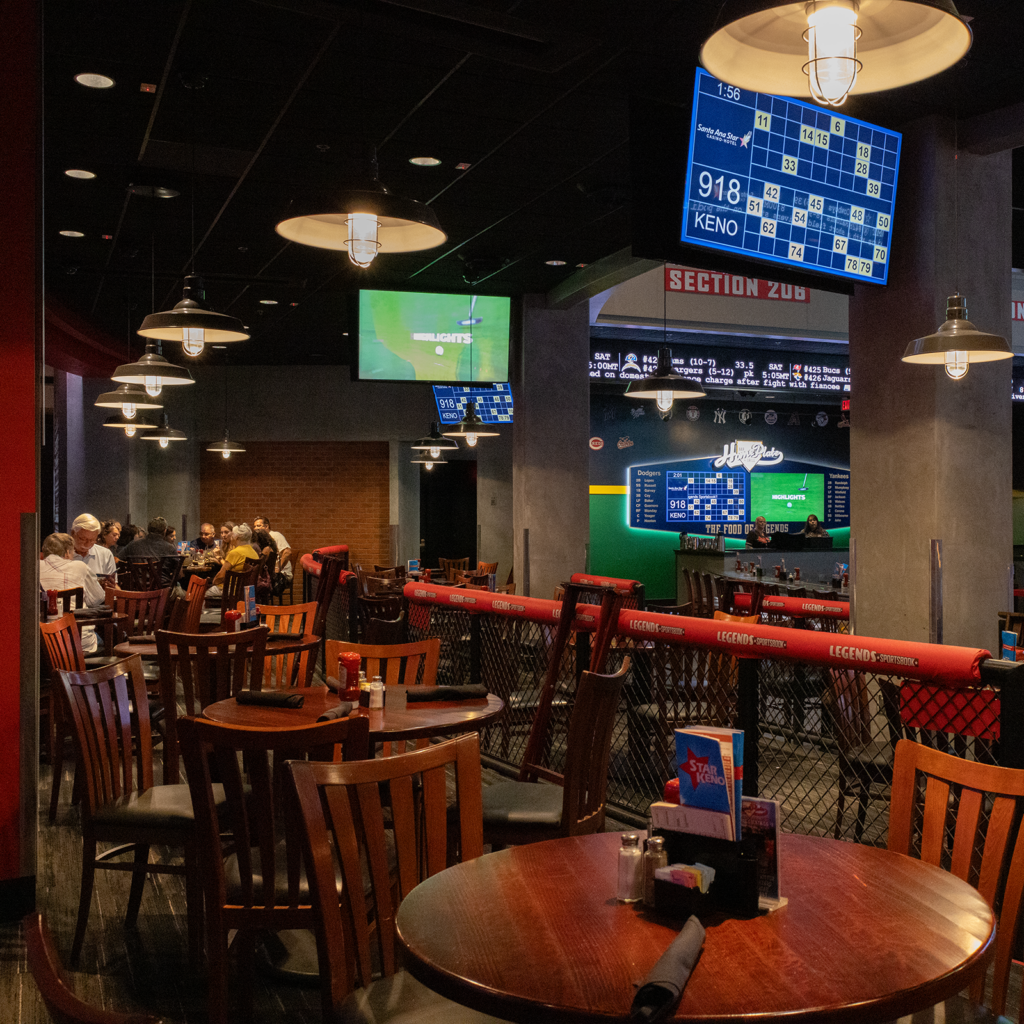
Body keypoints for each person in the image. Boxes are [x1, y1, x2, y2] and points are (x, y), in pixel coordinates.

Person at [39, 533, 106, 652]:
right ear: (67, 553)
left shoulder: (34, 567)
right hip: (78, 641)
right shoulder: (80, 567)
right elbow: (98, 599)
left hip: (44, 643)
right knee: (103, 640)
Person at [208, 524, 261, 596]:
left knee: (203, 594)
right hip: (248, 591)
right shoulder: (254, 553)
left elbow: (220, 576)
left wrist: (213, 582)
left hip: (232, 590)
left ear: (236, 537)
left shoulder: (234, 553)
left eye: (232, 535)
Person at [70, 513, 118, 579]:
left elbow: (113, 587)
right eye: (83, 539)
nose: (87, 544)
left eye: (92, 540)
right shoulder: (61, 554)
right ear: (73, 533)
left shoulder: (105, 554)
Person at [253, 515, 292, 593]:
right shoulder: (259, 539)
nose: (256, 528)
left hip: (281, 575)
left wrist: (278, 569)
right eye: (254, 526)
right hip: (269, 574)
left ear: (266, 526)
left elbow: (288, 552)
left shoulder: (275, 535)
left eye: (258, 526)